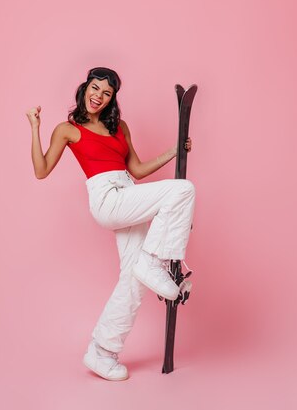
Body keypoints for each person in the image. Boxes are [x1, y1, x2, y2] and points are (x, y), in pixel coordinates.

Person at [26, 67, 195, 381]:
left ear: (111, 98)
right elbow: (41, 170)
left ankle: (102, 351)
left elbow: (138, 170)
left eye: (106, 93)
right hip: (106, 198)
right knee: (183, 190)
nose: (98, 96)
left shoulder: (120, 128)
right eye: (94, 88)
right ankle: (155, 260)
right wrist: (35, 127)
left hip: (127, 193)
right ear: (85, 88)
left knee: (133, 281)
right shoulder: (68, 128)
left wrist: (174, 151)